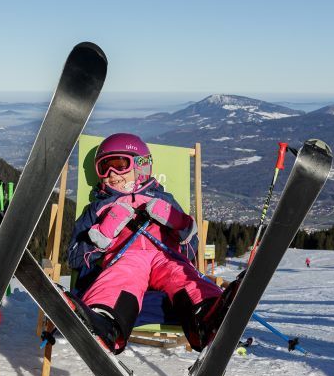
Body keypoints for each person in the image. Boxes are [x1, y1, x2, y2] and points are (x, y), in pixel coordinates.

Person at [67, 133, 225, 354]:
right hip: (126, 259)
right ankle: (105, 323)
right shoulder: (97, 208)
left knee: (180, 272)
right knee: (121, 275)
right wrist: (102, 236)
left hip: (164, 257)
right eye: (104, 167)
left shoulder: (164, 200)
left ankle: (207, 313)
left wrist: (179, 223)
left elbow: (189, 252)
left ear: (141, 166)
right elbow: (74, 256)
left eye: (119, 165)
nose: (111, 174)